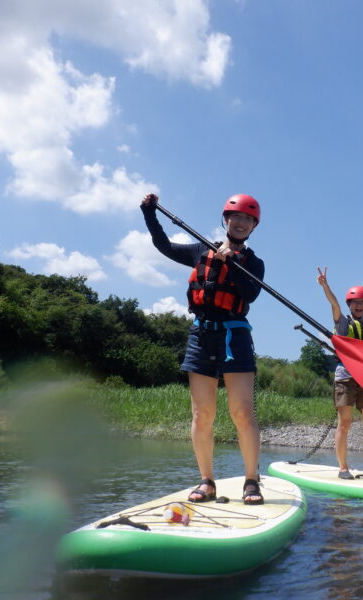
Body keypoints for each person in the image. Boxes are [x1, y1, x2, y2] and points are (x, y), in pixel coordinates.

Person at [141, 192, 265, 505]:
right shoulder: (200, 250)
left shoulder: (255, 263)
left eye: (247, 220)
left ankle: (252, 480)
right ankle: (207, 481)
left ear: (253, 227)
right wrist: (149, 213)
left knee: (242, 413)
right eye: (235, 217)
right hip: (200, 336)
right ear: (225, 220)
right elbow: (164, 246)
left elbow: (250, 294)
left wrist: (231, 260)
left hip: (234, 337)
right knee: (202, 414)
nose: (240, 223)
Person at [316, 267, 363, 479]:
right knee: (345, 422)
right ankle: (343, 468)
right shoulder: (343, 323)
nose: (359, 305)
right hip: (346, 377)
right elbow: (334, 305)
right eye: (355, 303)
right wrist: (325, 286)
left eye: (362, 303)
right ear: (350, 305)